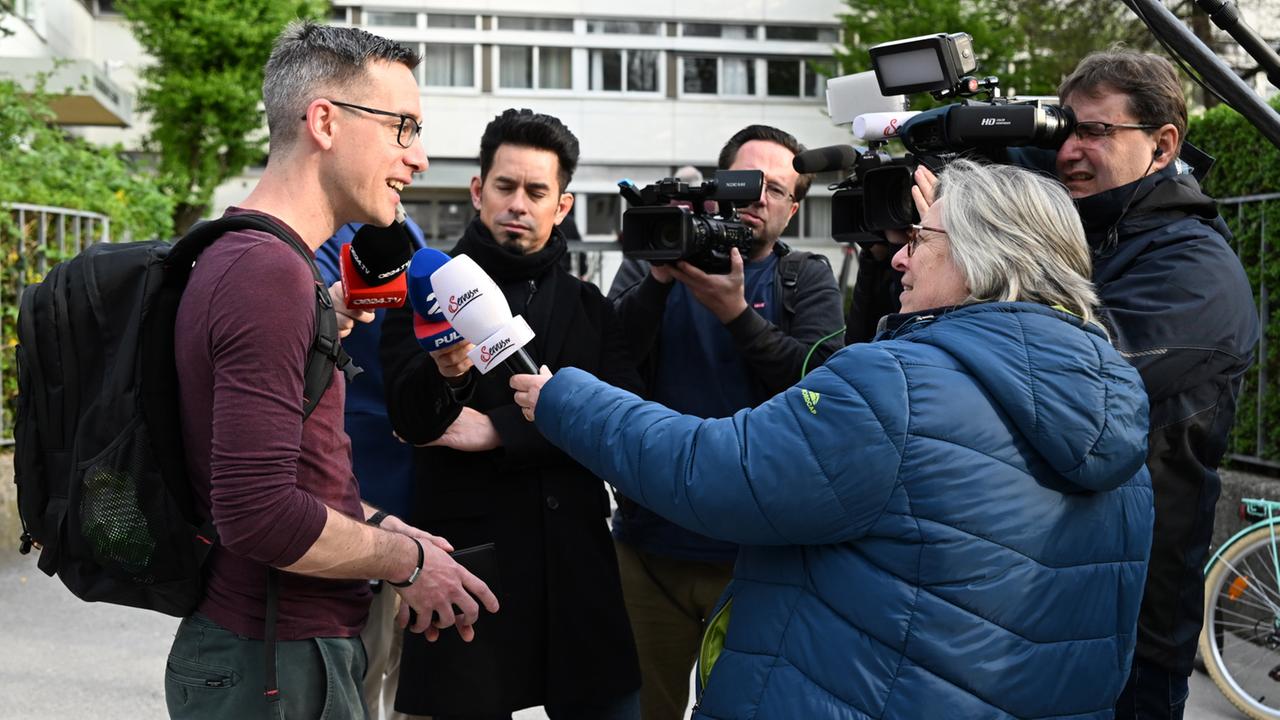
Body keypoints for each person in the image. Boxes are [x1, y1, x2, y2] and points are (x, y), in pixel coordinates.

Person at [512, 159, 1155, 719]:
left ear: (984, 255)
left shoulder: (898, 384)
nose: (899, 255)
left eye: (920, 237)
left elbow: (716, 470)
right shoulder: (1117, 414)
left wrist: (566, 400)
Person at [167, 22, 497, 719]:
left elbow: (282, 480)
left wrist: (385, 525)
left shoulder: (258, 260)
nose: (418, 157)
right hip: (275, 663)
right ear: (324, 121)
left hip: (283, 653)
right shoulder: (267, 274)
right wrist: (406, 562)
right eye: (402, 127)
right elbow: (258, 516)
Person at [380, 108, 641, 719]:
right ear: (478, 191)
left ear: (563, 205)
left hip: (577, 571)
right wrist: (447, 372)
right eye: (504, 186)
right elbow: (411, 419)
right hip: (467, 563)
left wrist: (499, 430)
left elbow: (622, 423)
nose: (517, 204)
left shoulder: (591, 308)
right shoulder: (425, 290)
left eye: (536, 191)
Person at [606, 125, 844, 720]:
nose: (758, 198)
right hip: (649, 548)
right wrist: (661, 277)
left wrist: (736, 315)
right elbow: (606, 359)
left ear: (794, 208)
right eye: (746, 182)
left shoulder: (806, 277)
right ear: (718, 185)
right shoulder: (656, 261)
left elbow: (817, 387)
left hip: (758, 557)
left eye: (777, 190)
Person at [1054, 50, 1259, 719]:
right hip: (1052, 592)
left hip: (1130, 619)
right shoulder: (1090, 237)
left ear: (1163, 143)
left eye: (1094, 132)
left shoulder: (1195, 266)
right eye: (1063, 130)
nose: (1068, 152)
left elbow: (1073, 386)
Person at [315, 217, 430, 720]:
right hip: (357, 492)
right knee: (363, 667)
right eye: (399, 134)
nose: (412, 160)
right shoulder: (319, 242)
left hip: (420, 486)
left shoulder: (410, 234)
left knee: (416, 676)